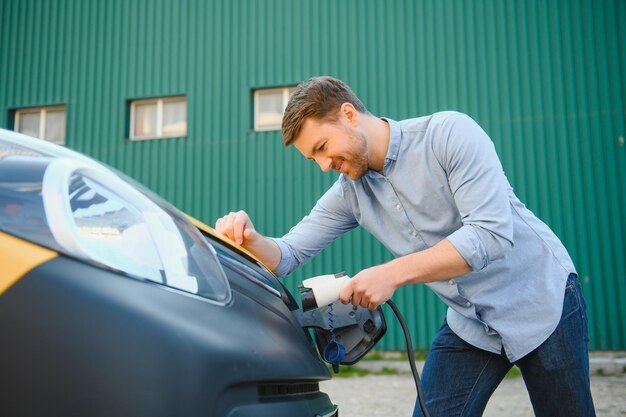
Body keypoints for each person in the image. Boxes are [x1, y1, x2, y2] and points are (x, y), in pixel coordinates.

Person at [215, 76, 595, 416]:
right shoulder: (349, 194)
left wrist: (391, 273)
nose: (323, 165)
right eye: (313, 157)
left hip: (541, 300)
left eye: (323, 147)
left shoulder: (449, 134)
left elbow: (490, 234)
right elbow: (287, 256)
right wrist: (252, 239)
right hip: (471, 323)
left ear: (348, 114)